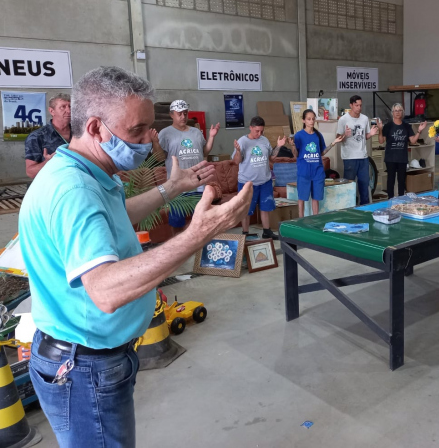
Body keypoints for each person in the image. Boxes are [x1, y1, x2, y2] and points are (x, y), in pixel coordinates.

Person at [18, 66, 252, 447]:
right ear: (95, 128)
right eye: (137, 131)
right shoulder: (73, 190)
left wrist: (172, 188)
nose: (148, 141)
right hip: (86, 366)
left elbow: (116, 218)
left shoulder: (86, 170)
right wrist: (197, 236)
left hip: (90, 359)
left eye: (150, 129)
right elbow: (106, 290)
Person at [152, 99, 220, 229]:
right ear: (172, 115)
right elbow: (159, 158)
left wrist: (211, 137)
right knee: (177, 222)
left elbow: (204, 151)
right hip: (177, 185)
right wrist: (155, 143)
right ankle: (178, 247)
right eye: (179, 114)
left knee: (201, 221)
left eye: (185, 113)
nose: (183, 117)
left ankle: (200, 248)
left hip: (199, 182)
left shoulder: (195, 132)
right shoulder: (165, 133)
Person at [233, 116, 287, 240]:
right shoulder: (242, 141)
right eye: (257, 131)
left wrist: (278, 146)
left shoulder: (264, 140)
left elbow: (271, 158)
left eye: (261, 131)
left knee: (265, 207)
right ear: (250, 128)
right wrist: (237, 151)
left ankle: (267, 231)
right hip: (247, 182)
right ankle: (245, 233)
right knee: (246, 209)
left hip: (265, 181)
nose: (259, 133)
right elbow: (236, 162)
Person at [293, 109, 344, 216]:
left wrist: (333, 143)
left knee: (316, 198)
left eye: (313, 119)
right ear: (303, 120)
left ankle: (315, 218)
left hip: (317, 172)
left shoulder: (318, 135)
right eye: (308, 119)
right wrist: (292, 145)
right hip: (304, 172)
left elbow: (322, 152)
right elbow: (296, 155)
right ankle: (300, 219)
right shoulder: (298, 136)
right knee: (302, 197)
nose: (311, 121)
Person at [376, 104, 427, 198]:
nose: (398, 112)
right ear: (392, 113)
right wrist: (380, 129)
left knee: (401, 180)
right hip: (390, 158)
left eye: (399, 110)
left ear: (402, 112)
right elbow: (381, 141)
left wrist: (419, 131)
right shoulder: (388, 126)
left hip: (402, 157)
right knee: (390, 180)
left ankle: (401, 199)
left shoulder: (406, 126)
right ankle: (390, 199)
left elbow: (413, 141)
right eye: (395, 110)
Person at [336, 95, 379, 205]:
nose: (359, 108)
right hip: (349, 157)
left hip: (363, 157)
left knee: (364, 185)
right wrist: (345, 134)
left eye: (360, 105)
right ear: (351, 105)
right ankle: (348, 208)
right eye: (356, 105)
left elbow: (364, 136)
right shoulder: (343, 120)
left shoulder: (364, 119)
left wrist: (371, 134)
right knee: (349, 186)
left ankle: (364, 208)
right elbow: (338, 138)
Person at [25, 93, 72, 178]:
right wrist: (47, 162)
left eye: (70, 106)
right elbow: (30, 172)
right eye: (63, 107)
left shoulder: (81, 133)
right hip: (53, 185)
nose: (68, 111)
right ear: (51, 111)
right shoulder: (37, 137)